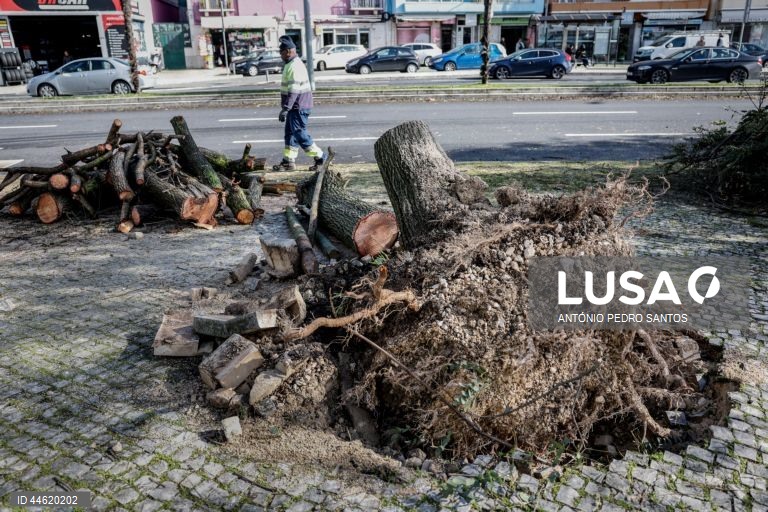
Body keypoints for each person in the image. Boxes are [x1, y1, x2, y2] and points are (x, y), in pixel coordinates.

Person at [272, 36, 325, 172]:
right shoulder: (291, 64)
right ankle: (288, 161)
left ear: (288, 51)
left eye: (281, 53)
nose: (280, 55)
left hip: (298, 107)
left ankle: (321, 158)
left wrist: (285, 108)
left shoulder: (294, 66)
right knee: (290, 134)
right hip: (296, 107)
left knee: (300, 134)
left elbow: (294, 90)